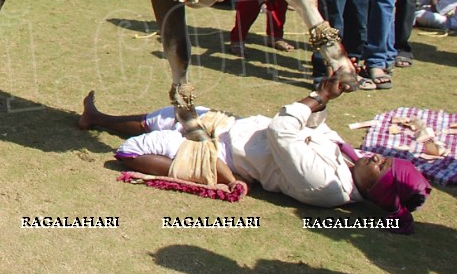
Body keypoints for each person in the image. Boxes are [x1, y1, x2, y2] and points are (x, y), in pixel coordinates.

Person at [78, 78, 431, 232]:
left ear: (378, 190)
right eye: (385, 159)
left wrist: (318, 99)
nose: (377, 159)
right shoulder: (351, 160)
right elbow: (316, 128)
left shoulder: (328, 187)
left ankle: (177, 166)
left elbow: (283, 132)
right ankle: (96, 118)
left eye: (383, 168)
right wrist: (324, 97)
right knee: (159, 117)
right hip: (229, 127)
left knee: (130, 151)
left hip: (223, 156)